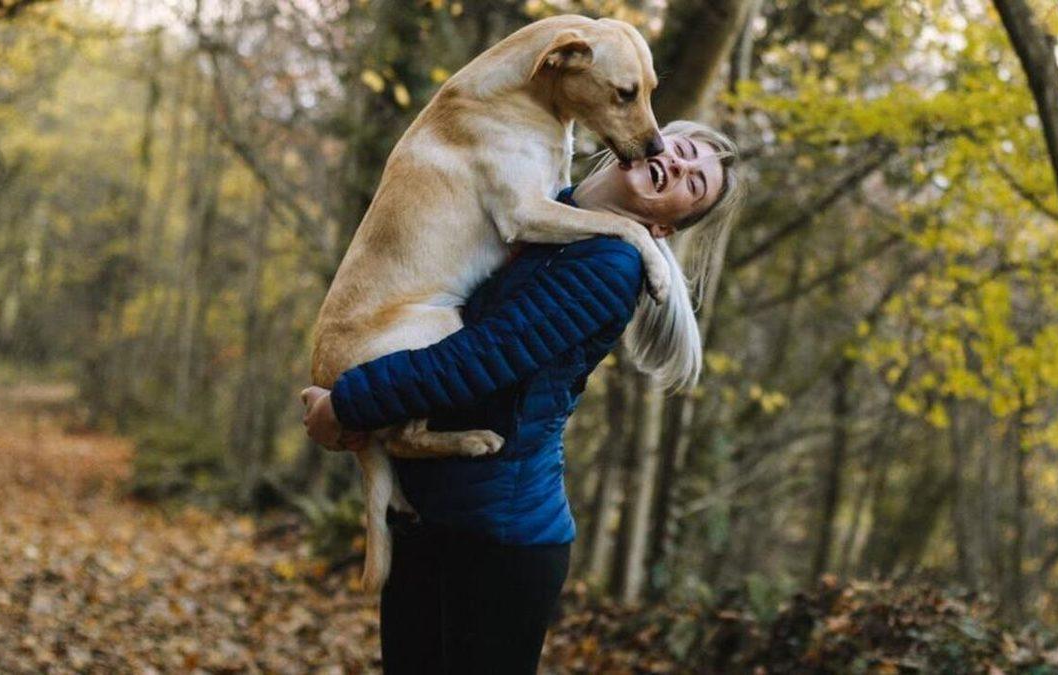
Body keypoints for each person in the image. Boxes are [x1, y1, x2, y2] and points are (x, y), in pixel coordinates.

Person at [300, 120, 743, 674]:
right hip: (425, 516)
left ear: (663, 227)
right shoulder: (540, 213)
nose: (679, 164)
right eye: (683, 148)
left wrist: (348, 405)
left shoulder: (610, 265)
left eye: (694, 183)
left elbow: (480, 359)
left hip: (501, 543)